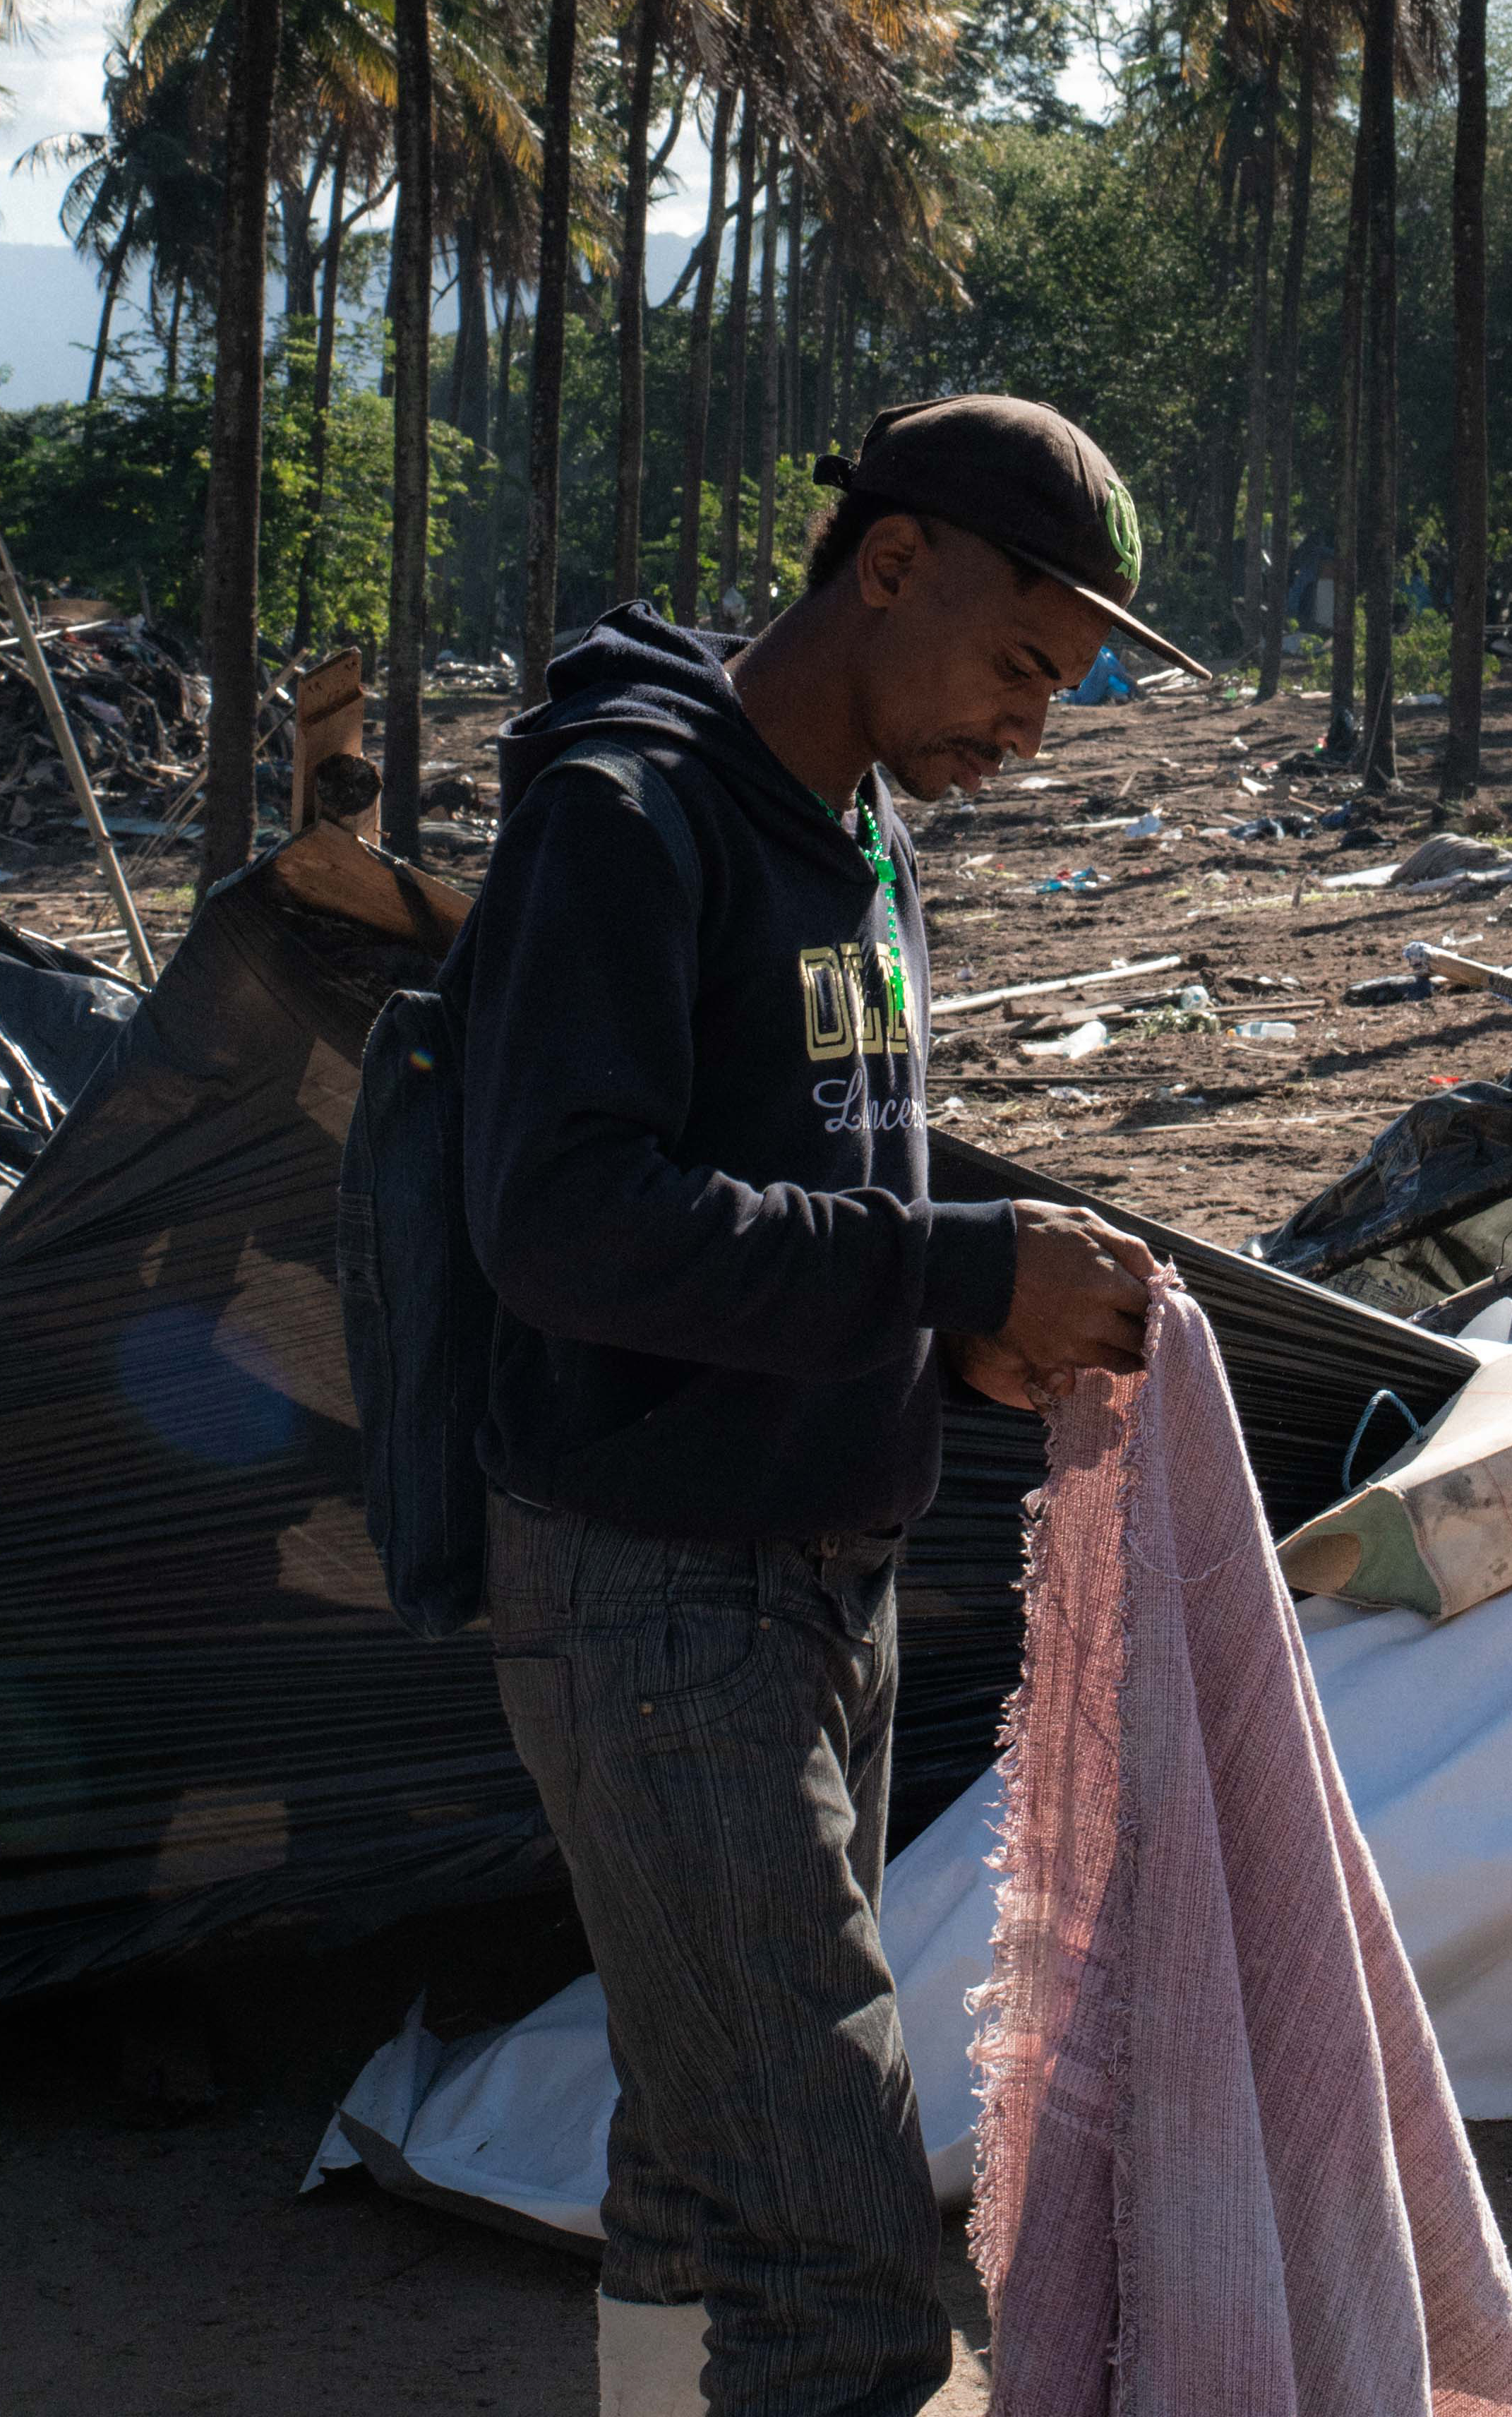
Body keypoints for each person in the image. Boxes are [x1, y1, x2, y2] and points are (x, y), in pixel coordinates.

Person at [445, 392, 1184, 2417]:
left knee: (706, 2165)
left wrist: (970, 1314)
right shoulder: (628, 815)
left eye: (1065, 692)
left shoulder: (859, 820)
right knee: (843, 2265)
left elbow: (818, 1170)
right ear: (885, 564)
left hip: (818, 1576)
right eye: (1021, 664)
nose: (1032, 729)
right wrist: (950, 1267)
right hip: (657, 1598)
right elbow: (565, 1218)